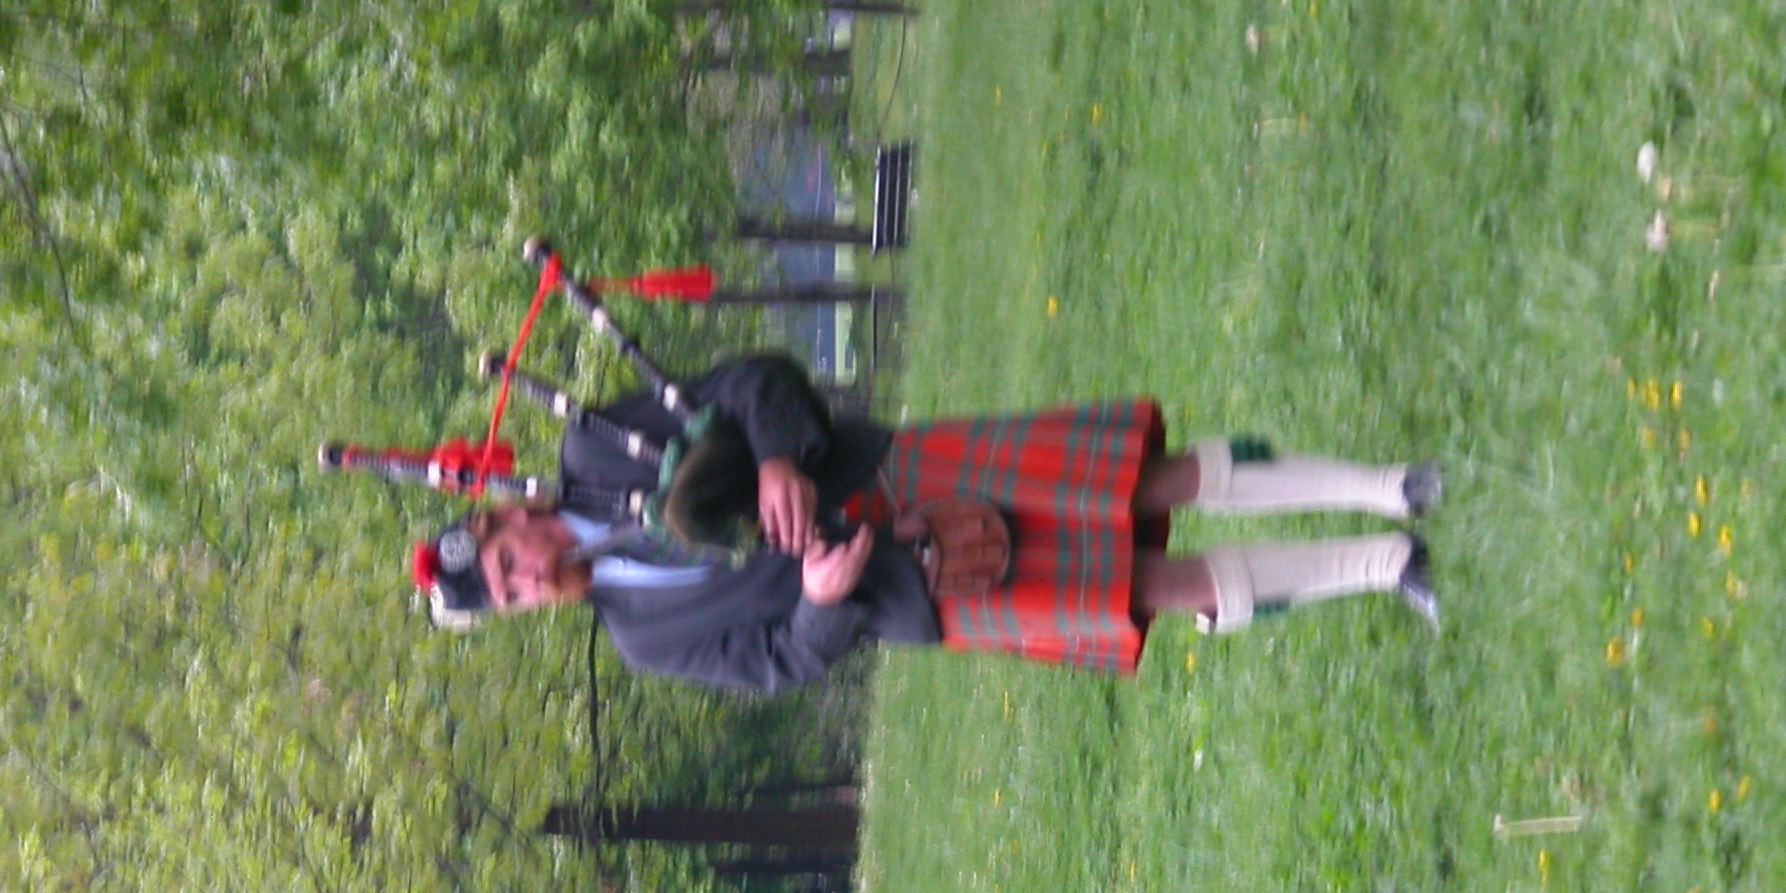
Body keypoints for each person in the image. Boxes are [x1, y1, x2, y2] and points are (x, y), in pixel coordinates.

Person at [413, 353, 1441, 693]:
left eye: (507, 561)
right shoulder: (641, 635)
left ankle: (1387, 485)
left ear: (506, 516)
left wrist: (777, 457)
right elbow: (778, 663)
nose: (525, 580)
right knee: (1148, 588)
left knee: (1141, 482)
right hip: (918, 590)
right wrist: (822, 601)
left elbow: (752, 381)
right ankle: (1385, 564)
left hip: (892, 471)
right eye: (510, 595)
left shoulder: (597, 449)